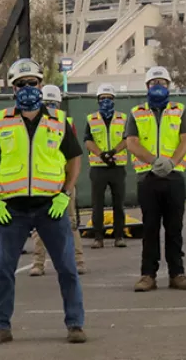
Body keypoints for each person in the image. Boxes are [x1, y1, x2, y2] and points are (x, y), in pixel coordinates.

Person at [0, 59, 86, 344]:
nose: (27, 89)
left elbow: (74, 159)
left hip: (51, 207)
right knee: (2, 269)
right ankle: (2, 326)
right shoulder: (1, 122)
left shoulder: (59, 122)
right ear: (13, 88)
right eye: (21, 84)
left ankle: (75, 324)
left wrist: (65, 193)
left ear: (41, 84)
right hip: (11, 210)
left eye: (32, 83)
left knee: (67, 268)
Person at [125, 66, 186, 292]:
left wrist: (172, 162)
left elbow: (185, 139)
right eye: (154, 83)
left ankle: (177, 274)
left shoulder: (179, 110)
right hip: (148, 177)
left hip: (174, 177)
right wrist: (155, 161)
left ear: (168, 86)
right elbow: (132, 143)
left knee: (175, 228)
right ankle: (148, 275)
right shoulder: (136, 112)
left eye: (162, 83)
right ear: (147, 86)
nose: (158, 87)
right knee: (150, 228)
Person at [30, 84, 86, 276]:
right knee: (39, 224)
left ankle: (78, 260)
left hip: (63, 181)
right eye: (48, 103)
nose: (51, 106)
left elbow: (73, 156)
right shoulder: (34, 123)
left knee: (70, 222)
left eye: (54, 103)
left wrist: (69, 184)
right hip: (42, 183)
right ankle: (38, 262)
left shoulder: (65, 122)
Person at [84, 83, 128, 249]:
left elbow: (128, 139)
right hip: (98, 168)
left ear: (114, 100)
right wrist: (101, 155)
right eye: (102, 99)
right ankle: (98, 237)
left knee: (119, 204)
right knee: (97, 204)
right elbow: (88, 141)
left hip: (117, 166)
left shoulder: (123, 118)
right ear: (97, 100)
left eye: (109, 98)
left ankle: (119, 236)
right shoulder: (91, 119)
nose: (105, 101)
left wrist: (113, 152)